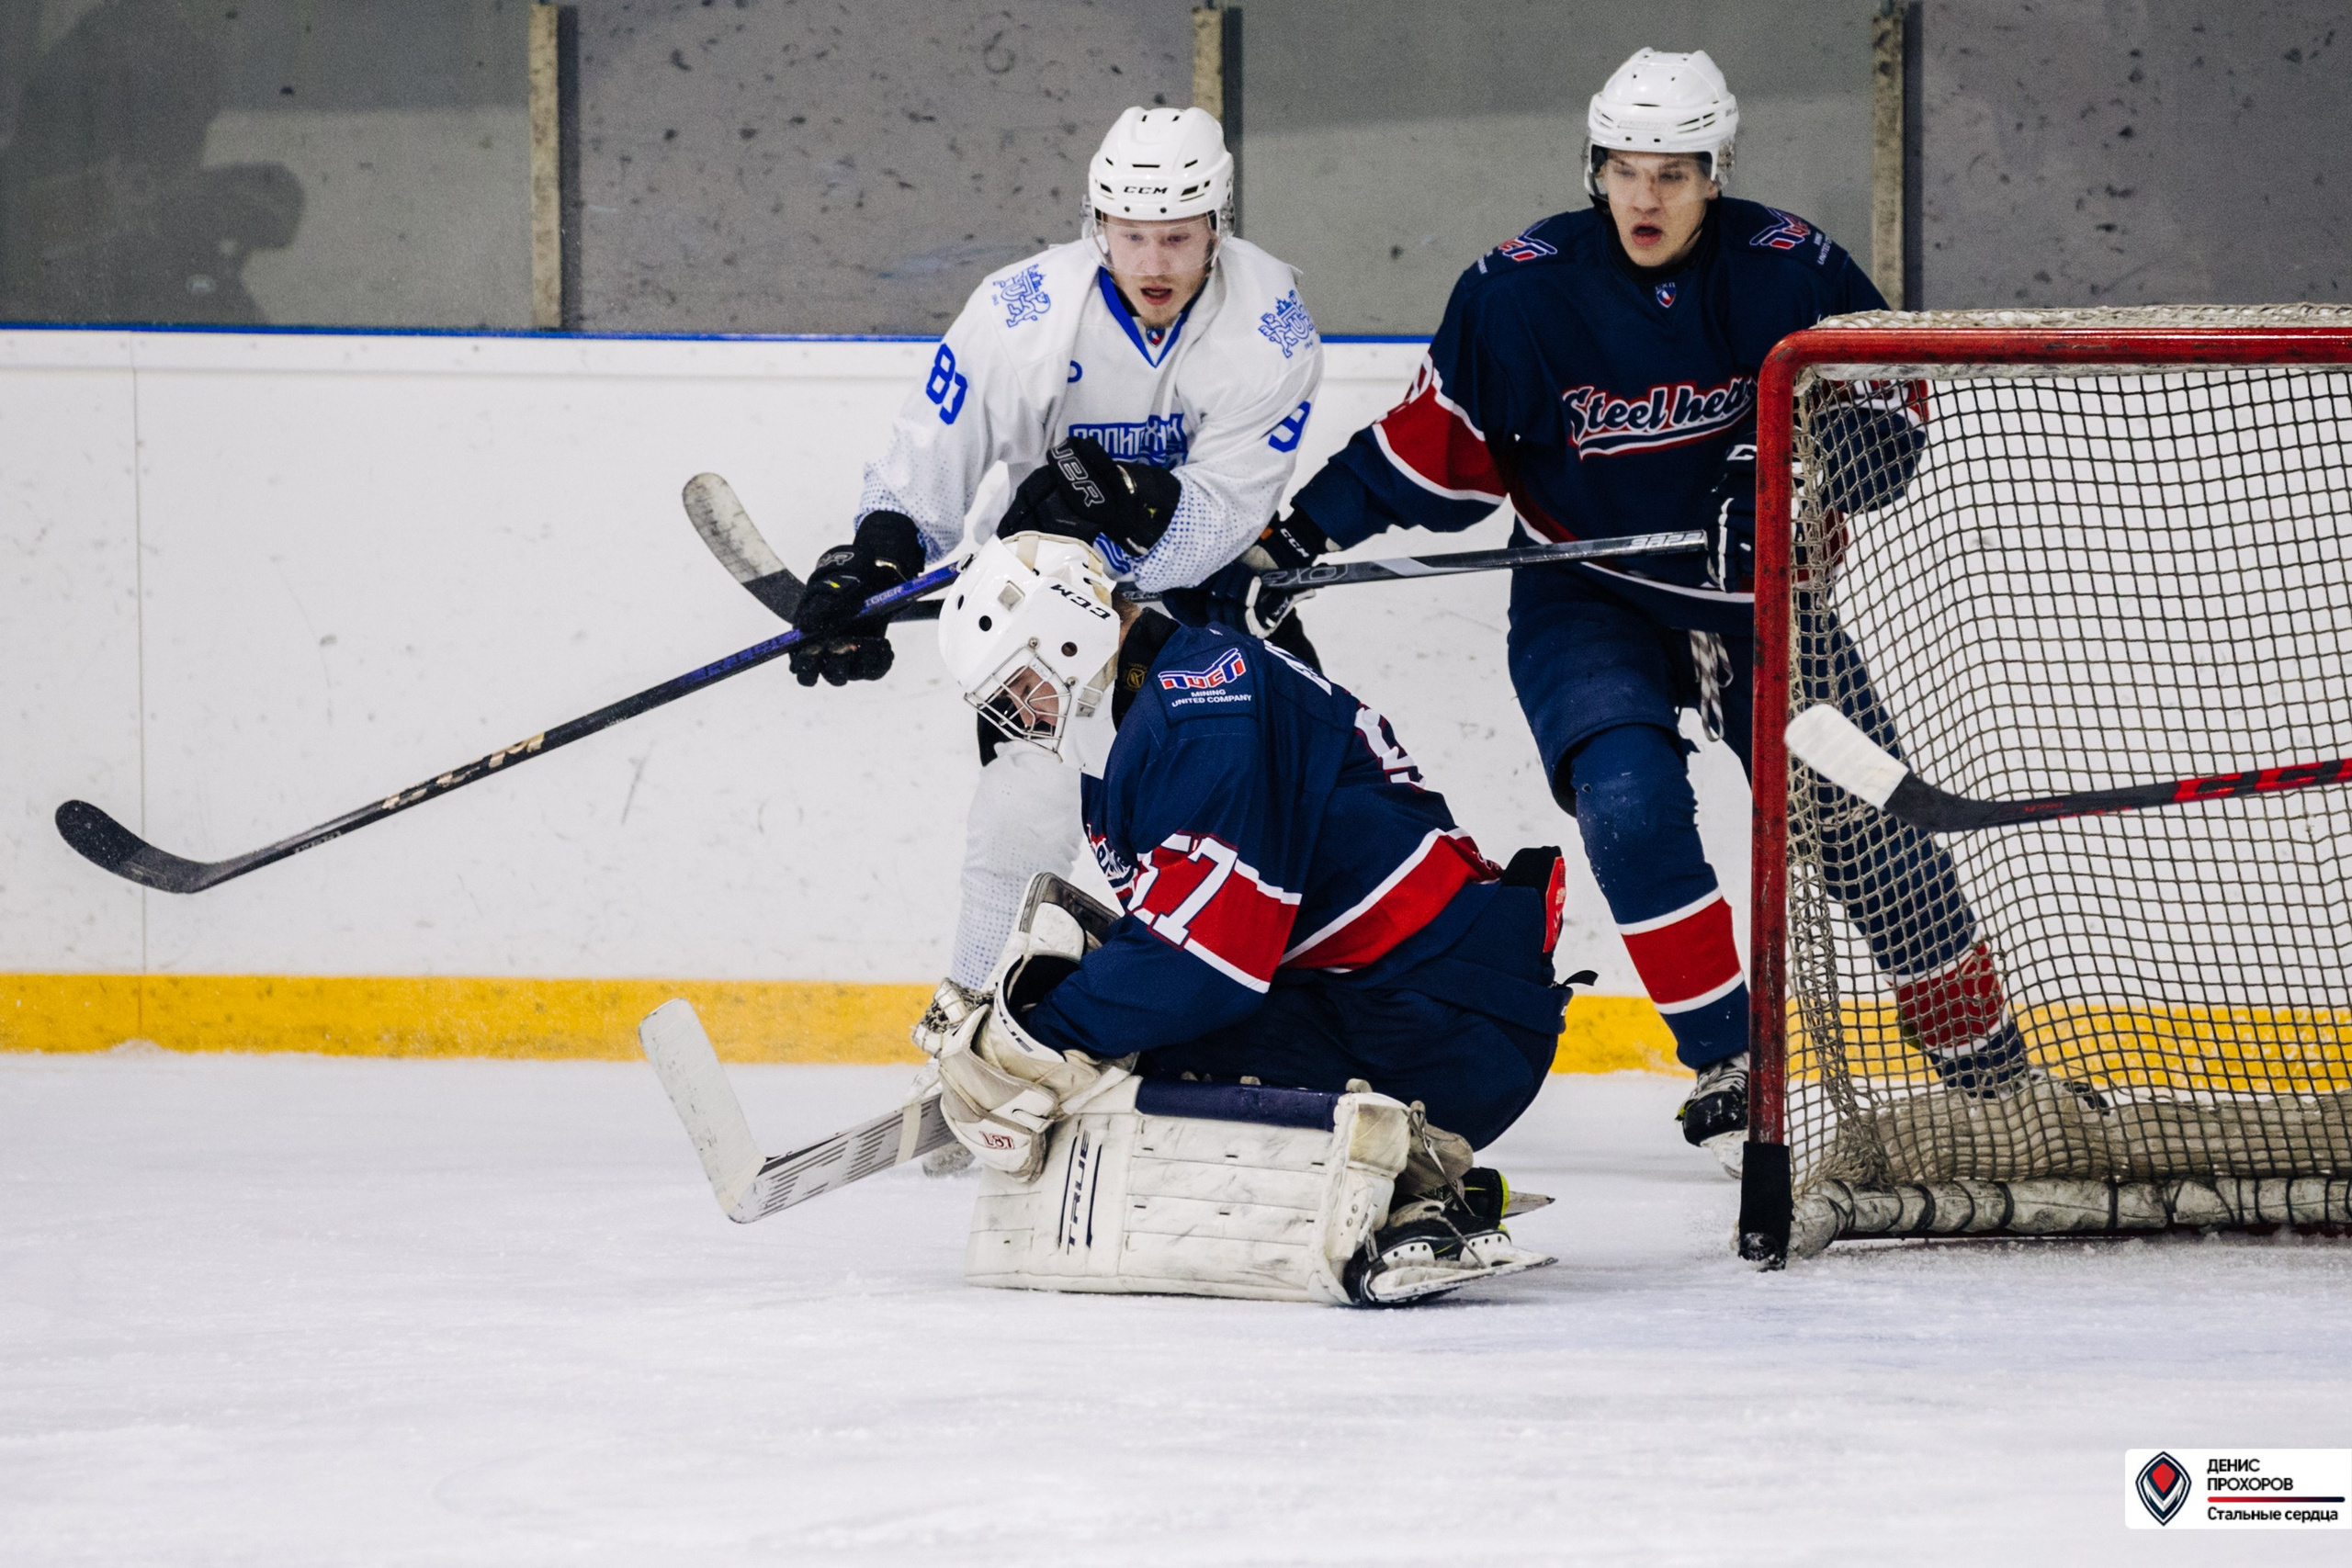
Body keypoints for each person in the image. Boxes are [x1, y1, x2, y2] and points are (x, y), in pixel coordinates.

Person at [1261, 49, 2044, 1171]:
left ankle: (1993, 1078)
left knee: (1878, 839)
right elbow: (1431, 453)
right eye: (1623, 170)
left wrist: (1783, 475)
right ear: (1595, 167)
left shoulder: (1793, 269)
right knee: (1626, 804)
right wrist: (1296, 536)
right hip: (1591, 591)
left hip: (1761, 601)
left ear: (1714, 172)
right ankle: (1728, 1059)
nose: (1644, 197)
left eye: (1672, 173)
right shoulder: (1518, 289)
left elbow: (1892, 425)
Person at [779, 105, 1329, 1044]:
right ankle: (970, 1021)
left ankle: (1291, 1022)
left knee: (1279, 800)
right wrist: (872, 562)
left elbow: (1219, 522)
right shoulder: (1019, 310)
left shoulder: (1270, 325)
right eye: (1129, 234)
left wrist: (1115, 508)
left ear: (1217, 225)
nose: (1153, 262)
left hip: (1198, 599)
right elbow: (928, 466)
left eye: (1178, 236)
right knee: (1022, 810)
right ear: (1095, 223)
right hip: (1035, 609)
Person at [923, 531, 1578, 1295]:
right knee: (1123, 1035)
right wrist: (1048, 1009)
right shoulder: (1152, 708)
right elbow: (1184, 937)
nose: (1020, 715)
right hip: (1405, 997)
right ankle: (1405, 1178)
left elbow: (1204, 966)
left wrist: (1037, 1035)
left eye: (1020, 685)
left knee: (1132, 1055)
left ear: (1069, 631)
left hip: (1444, 1022)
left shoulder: (1204, 707)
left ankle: (1411, 1179)